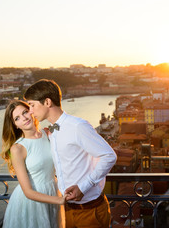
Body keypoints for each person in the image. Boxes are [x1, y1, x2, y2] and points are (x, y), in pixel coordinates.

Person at [24, 79, 117, 228]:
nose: (30, 111)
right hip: (66, 209)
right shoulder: (53, 130)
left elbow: (109, 156)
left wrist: (83, 187)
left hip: (90, 211)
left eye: (32, 105)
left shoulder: (77, 126)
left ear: (47, 102)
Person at [0, 99, 65, 228]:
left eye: (25, 112)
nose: (24, 118)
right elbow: (28, 192)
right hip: (32, 202)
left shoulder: (48, 134)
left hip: (53, 190)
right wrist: (60, 200)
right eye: (17, 118)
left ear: (31, 111)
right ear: (15, 125)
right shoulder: (17, 148)